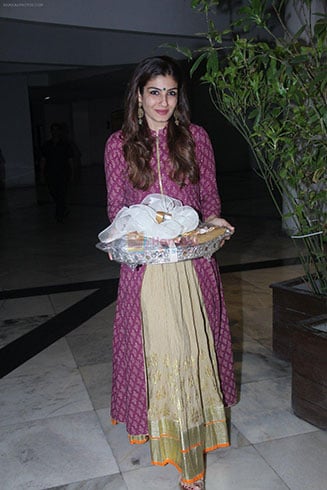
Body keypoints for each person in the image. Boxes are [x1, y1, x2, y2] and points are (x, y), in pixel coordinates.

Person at [104, 56, 237, 490]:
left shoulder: (195, 138)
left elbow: (210, 202)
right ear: (138, 96)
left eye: (172, 92)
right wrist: (131, 241)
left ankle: (191, 458)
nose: (164, 101)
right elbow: (116, 213)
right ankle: (186, 461)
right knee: (165, 361)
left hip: (194, 273)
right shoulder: (118, 145)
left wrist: (212, 227)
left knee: (193, 360)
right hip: (148, 279)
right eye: (154, 91)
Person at [40, 123, 74, 222]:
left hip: (63, 173)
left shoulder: (66, 145)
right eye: (53, 130)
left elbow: (70, 160)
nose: (55, 132)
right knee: (53, 192)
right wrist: (41, 174)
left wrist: (72, 173)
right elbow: (43, 159)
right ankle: (63, 209)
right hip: (50, 173)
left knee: (62, 193)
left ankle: (59, 214)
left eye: (56, 130)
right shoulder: (47, 145)